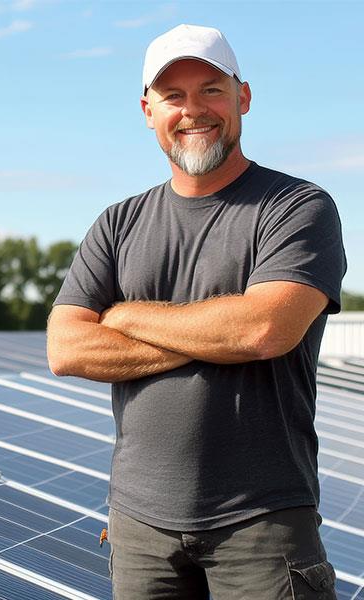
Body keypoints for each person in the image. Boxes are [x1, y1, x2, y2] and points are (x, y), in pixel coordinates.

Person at [47, 23, 346, 599]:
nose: (193, 111)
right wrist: (212, 331)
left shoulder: (296, 207)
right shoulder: (117, 222)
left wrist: (124, 315)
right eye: (173, 97)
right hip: (138, 526)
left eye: (211, 90)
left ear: (243, 97)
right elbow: (67, 349)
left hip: (262, 523)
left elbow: (263, 329)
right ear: (147, 110)